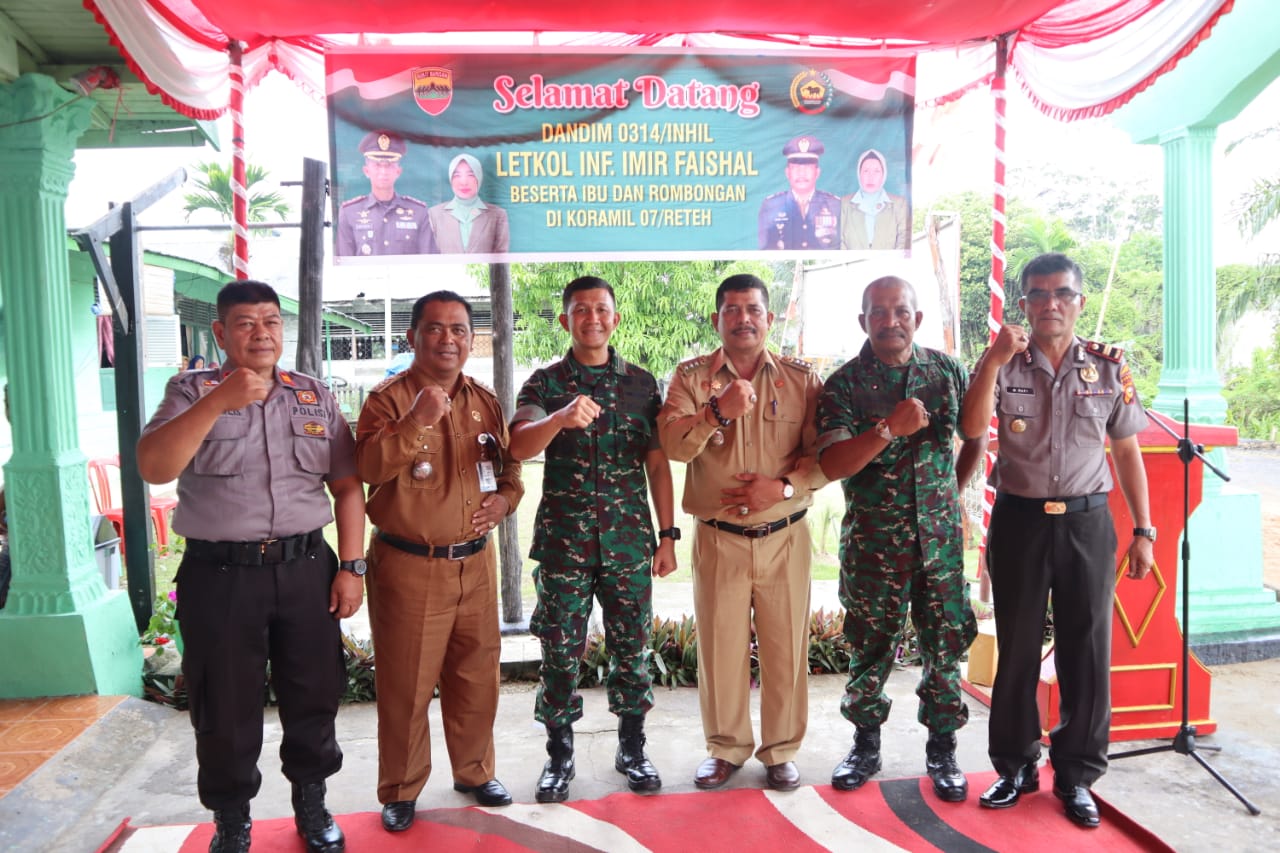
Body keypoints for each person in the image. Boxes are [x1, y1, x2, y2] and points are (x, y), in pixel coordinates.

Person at [137, 280, 366, 853]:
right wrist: (219, 401)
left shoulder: (313, 395)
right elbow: (154, 466)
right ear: (220, 332)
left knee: (314, 690)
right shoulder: (190, 391)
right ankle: (232, 819)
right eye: (245, 323)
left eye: (270, 322)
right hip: (220, 575)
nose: (261, 333)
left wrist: (354, 567)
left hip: (305, 568)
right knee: (224, 702)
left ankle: (311, 806)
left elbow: (347, 485)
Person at [959, 252, 1154, 829]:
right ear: (1022, 304)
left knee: (1087, 650)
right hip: (1020, 520)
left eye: (1061, 293)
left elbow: (1126, 452)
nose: (1050, 304)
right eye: (1038, 295)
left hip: (1087, 522)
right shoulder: (1004, 363)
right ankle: (1015, 767)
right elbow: (971, 429)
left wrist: (1144, 530)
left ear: (1079, 302)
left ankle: (1075, 774)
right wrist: (993, 361)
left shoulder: (1108, 368)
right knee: (1016, 647)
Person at [354, 290, 523, 832]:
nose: (447, 339)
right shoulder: (386, 399)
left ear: (471, 340)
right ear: (412, 337)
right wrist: (417, 421)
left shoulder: (486, 400)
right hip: (410, 563)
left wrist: (505, 500)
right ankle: (401, 789)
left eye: (458, 329)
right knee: (407, 684)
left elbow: (508, 469)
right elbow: (368, 468)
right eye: (434, 328)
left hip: (476, 563)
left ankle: (474, 771)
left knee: (476, 676)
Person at [815, 276, 985, 801]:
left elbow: (973, 438)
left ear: (918, 318)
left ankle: (943, 750)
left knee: (945, 645)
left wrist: (948, 495)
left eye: (901, 311)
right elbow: (831, 463)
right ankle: (865, 746)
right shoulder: (843, 385)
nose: (891, 320)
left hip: (938, 545)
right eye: (879, 312)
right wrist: (887, 429)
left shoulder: (947, 371)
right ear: (863, 321)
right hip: (874, 545)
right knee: (870, 647)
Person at [508, 276, 677, 803]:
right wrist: (559, 418)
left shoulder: (644, 385)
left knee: (633, 650)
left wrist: (668, 536)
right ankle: (559, 757)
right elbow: (517, 446)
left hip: (628, 544)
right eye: (580, 310)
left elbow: (657, 462)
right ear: (565, 321)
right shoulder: (545, 383)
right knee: (560, 652)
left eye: (601, 309)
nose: (592, 318)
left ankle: (632, 748)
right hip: (565, 547)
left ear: (615, 318)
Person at [659, 273, 826, 792]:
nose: (743, 319)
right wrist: (715, 412)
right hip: (719, 538)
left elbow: (822, 458)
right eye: (731, 310)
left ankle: (780, 751)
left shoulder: (802, 380)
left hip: (785, 535)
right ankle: (726, 748)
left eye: (753, 309)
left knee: (786, 649)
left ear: (769, 318)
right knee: (720, 648)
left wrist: (779, 489)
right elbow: (673, 446)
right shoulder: (690, 379)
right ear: (717, 320)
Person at [336, 131, 437, 257]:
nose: (383, 171)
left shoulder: (418, 212)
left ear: (398, 171)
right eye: (377, 165)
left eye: (389, 165)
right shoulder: (349, 213)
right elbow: (343, 266)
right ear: (366, 171)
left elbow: (429, 264)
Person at [757, 135, 841, 251]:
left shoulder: (835, 205)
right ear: (787, 172)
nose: (801, 173)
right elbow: (765, 251)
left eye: (807, 167)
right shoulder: (771, 206)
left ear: (817, 172)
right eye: (796, 167)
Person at [427, 154, 510, 254]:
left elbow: (501, 258)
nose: (464, 182)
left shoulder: (497, 215)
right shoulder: (434, 214)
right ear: (450, 179)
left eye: (470, 175)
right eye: (457, 175)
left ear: (479, 177)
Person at [840, 149, 909, 251]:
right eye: (866, 171)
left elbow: (904, 238)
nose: (870, 177)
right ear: (859, 174)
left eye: (876, 171)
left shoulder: (899, 204)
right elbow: (839, 240)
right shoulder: (843, 204)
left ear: (883, 174)